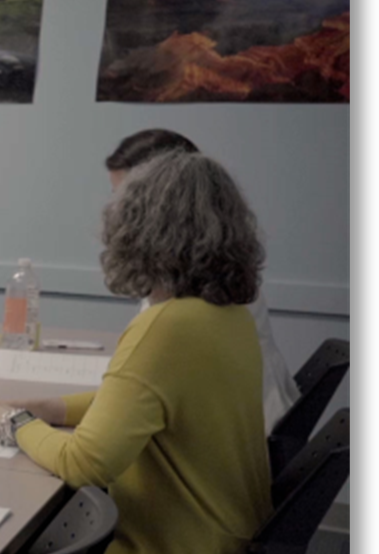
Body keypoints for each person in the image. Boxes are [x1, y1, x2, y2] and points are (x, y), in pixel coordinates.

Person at [0, 153, 274, 554]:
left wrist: (11, 422)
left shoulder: (165, 326)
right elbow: (143, 401)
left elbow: (86, 463)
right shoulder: (226, 317)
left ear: (138, 234)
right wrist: (51, 408)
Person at [105, 129, 298, 432]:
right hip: (247, 432)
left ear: (166, 203)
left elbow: (91, 457)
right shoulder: (218, 266)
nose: (118, 213)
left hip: (237, 438)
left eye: (127, 199)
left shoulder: (190, 295)